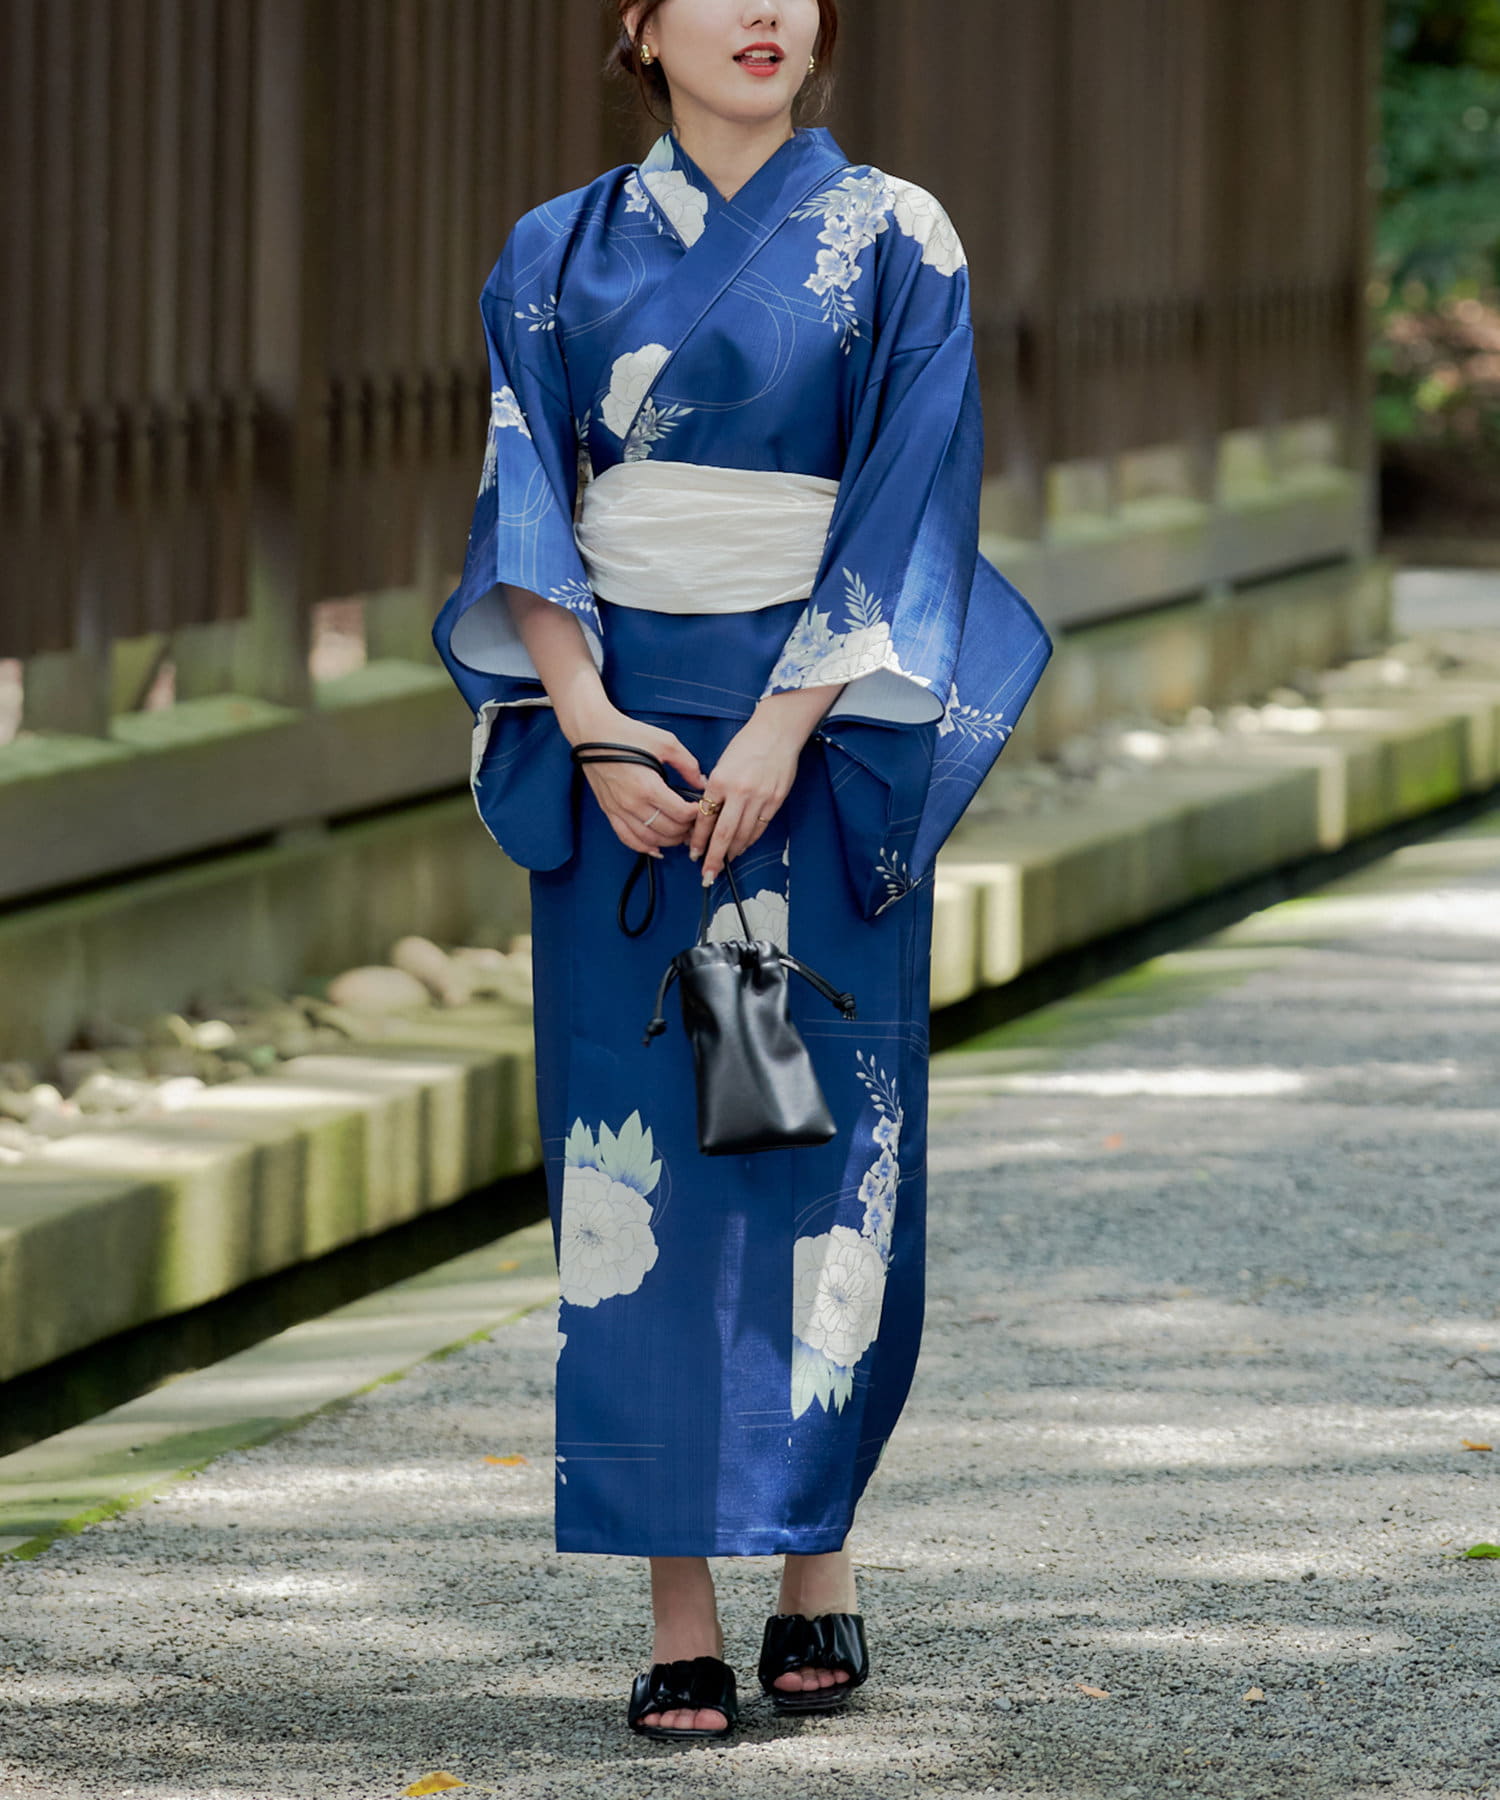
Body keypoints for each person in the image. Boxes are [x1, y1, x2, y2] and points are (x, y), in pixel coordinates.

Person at [431, 0, 1051, 1743]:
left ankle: (812, 1560)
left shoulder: (896, 237)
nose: (762, 11)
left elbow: (912, 501)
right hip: (632, 744)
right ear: (640, 25)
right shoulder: (557, 251)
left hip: (817, 745)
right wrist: (589, 724)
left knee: (799, 1142)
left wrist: (784, 730)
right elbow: (524, 497)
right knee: (638, 1173)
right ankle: (680, 1610)